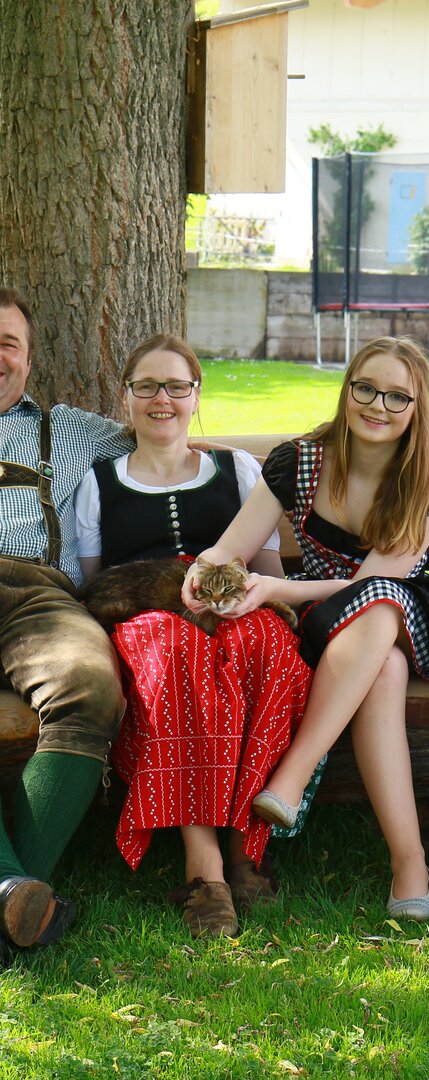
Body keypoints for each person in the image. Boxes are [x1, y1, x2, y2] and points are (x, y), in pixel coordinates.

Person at [185, 336, 429, 923]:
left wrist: (276, 591)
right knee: (383, 671)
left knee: (378, 607)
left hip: (399, 611)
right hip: (328, 627)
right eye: (366, 388)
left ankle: (292, 777)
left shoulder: (427, 486)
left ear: (417, 409)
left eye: (398, 397)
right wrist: (206, 571)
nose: (378, 406)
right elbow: (232, 548)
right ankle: (410, 863)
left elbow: (372, 583)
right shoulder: (298, 462)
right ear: (347, 389)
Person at [75, 334, 314, 939]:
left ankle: (245, 841)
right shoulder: (98, 482)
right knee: (173, 651)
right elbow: (98, 590)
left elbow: (270, 573)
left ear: (196, 395)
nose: (163, 399)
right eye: (147, 386)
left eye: (177, 386)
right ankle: (204, 861)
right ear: (125, 397)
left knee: (266, 646)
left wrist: (247, 602)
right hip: (146, 618)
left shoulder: (235, 469)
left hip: (234, 605)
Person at [0, 286, 134, 966]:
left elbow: (166, 435)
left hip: (36, 595)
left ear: (27, 357)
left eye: (8, 342)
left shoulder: (70, 429)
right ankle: (11, 898)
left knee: (90, 683)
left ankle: (15, 887)